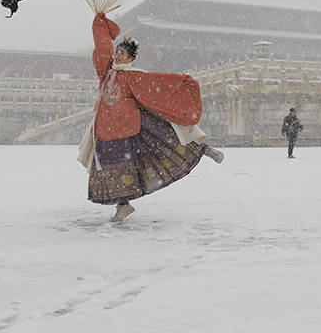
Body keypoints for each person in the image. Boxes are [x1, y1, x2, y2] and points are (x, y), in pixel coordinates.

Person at [78, 11, 224, 222]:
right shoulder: (107, 72)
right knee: (115, 167)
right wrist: (100, 24)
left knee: (166, 139)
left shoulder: (132, 76)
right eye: (117, 51)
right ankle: (123, 206)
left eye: (122, 54)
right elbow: (102, 48)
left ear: (131, 58)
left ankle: (205, 150)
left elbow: (159, 82)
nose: (117, 55)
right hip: (107, 129)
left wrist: (183, 81)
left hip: (130, 127)